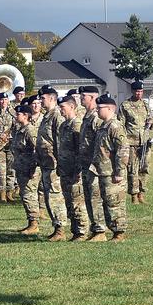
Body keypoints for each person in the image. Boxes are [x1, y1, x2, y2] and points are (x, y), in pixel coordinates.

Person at [92, 94, 129, 242]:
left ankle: (119, 233)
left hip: (112, 171)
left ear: (109, 109)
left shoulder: (115, 126)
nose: (97, 110)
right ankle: (112, 230)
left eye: (100, 108)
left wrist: (119, 171)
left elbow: (123, 149)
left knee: (115, 202)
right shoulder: (103, 125)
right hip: (102, 171)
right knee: (107, 201)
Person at [36, 85, 69, 241]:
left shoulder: (56, 115)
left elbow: (59, 141)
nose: (40, 101)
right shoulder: (46, 115)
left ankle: (61, 228)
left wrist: (60, 162)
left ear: (52, 98)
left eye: (43, 98)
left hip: (54, 164)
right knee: (49, 197)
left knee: (55, 197)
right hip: (45, 163)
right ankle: (56, 226)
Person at [57, 95, 88, 241]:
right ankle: (74, 230)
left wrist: (78, 170)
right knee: (69, 201)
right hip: (65, 169)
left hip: (74, 171)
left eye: (62, 107)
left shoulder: (77, 125)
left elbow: (80, 150)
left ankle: (81, 231)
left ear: (72, 107)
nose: (60, 110)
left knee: (77, 202)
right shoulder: (64, 126)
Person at [118, 80, 153, 204]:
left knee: (144, 168)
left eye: (141, 91)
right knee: (133, 169)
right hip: (131, 141)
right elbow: (121, 124)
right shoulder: (125, 105)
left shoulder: (145, 104)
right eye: (137, 91)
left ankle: (141, 193)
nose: (139, 93)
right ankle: (134, 195)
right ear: (132, 91)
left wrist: (150, 123)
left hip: (144, 142)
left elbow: (150, 118)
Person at [78, 86, 107, 241]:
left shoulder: (96, 117)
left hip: (93, 165)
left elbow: (100, 142)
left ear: (92, 97)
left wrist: (96, 163)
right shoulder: (87, 116)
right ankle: (95, 229)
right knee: (89, 197)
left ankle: (100, 231)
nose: (81, 98)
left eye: (83, 96)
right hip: (85, 164)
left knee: (95, 198)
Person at [11, 103, 41, 235]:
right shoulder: (19, 129)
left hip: (29, 168)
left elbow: (36, 149)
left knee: (30, 195)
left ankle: (34, 224)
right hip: (21, 167)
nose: (16, 116)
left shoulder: (30, 130)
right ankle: (30, 222)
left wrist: (33, 167)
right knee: (25, 195)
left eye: (18, 114)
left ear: (26, 116)